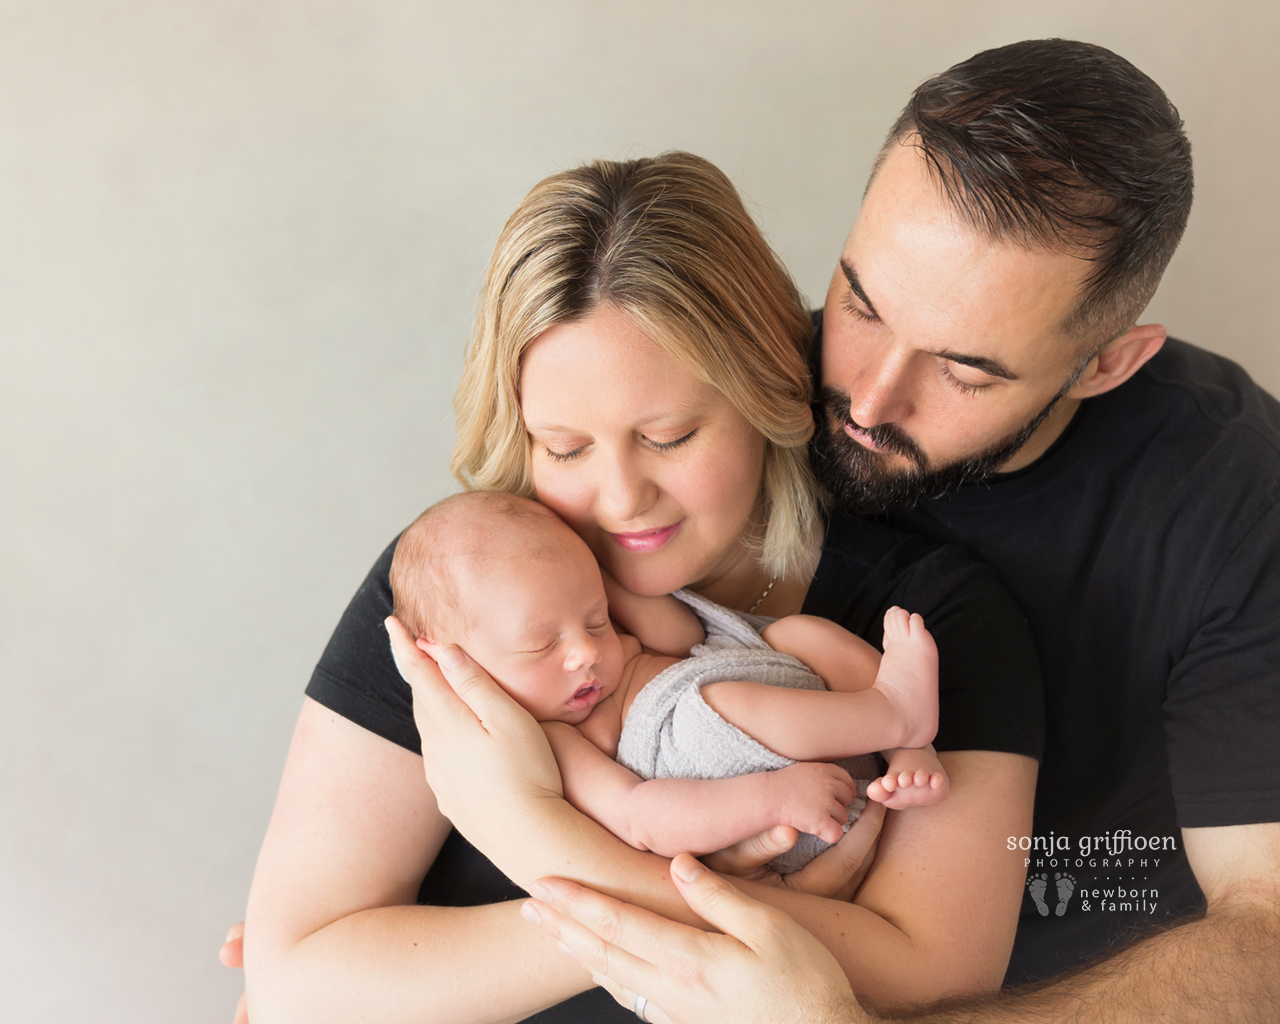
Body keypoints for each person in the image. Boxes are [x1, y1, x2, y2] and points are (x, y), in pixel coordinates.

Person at [515, 38, 1280, 1022]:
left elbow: (1264, 931)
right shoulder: (716, 395)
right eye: (860, 304)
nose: (866, 400)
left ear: (1103, 365)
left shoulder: (1229, 497)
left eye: (964, 370)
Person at [231, 150, 1043, 1023]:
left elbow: (931, 979)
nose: (620, 501)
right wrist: (650, 900)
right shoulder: (462, 586)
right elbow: (298, 991)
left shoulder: (927, 621)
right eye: (565, 449)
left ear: (768, 392)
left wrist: (534, 833)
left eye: (668, 436)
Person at [388, 491, 948, 867]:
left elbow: (683, 635)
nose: (585, 650)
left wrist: (595, 574)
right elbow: (641, 818)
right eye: (541, 645)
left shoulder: (622, 647)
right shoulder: (554, 739)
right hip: (744, 791)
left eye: (595, 617)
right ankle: (894, 711)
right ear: (461, 670)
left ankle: (906, 744)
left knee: (796, 634)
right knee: (721, 703)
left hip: (757, 689)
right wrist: (770, 800)